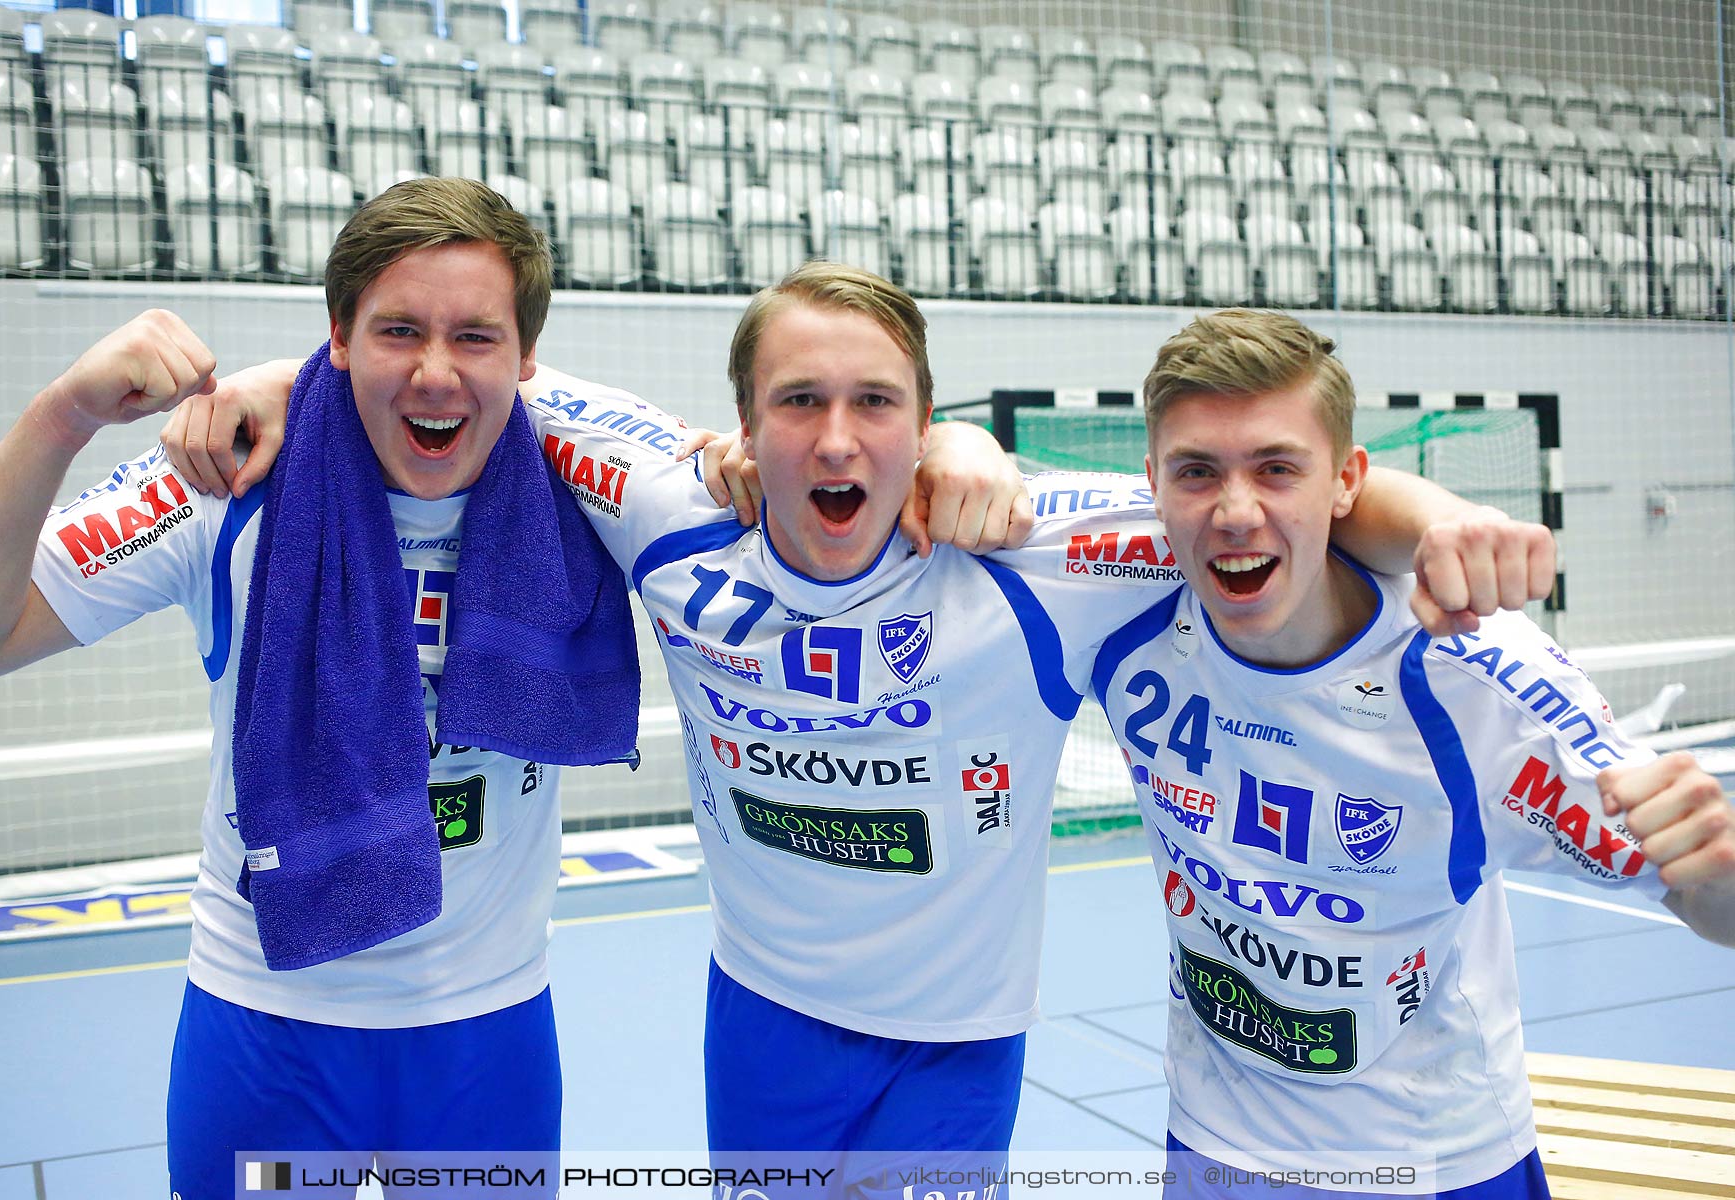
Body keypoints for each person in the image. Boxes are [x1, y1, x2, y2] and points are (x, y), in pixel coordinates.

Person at [166, 263, 1557, 1194]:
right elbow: (472, 382)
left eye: (877, 406)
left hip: (955, 1045)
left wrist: (1441, 523)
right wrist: (294, 382)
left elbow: (1259, 505)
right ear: (741, 428)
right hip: (762, 1022)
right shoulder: (666, 511)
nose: (837, 440)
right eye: (799, 405)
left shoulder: (1029, 554)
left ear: (927, 426)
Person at [0, 177, 649, 1200]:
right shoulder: (228, 483)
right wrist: (64, 417)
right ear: (339, 340)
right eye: (398, 330)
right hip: (266, 1033)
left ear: (527, 360)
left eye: (477, 338)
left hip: (482, 1040)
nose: (437, 373)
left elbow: (785, 485)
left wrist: (945, 449)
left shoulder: (583, 488)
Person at [1088, 309, 1735, 1198]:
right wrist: (958, 447)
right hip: (1212, 1147)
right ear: (1152, 483)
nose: (1236, 512)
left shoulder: (1483, 695)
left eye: (1279, 469)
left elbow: (1711, 909)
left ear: (1348, 481)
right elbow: (941, 487)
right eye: (1198, 472)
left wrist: (1713, 864)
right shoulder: (1116, 597)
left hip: (1434, 1163)